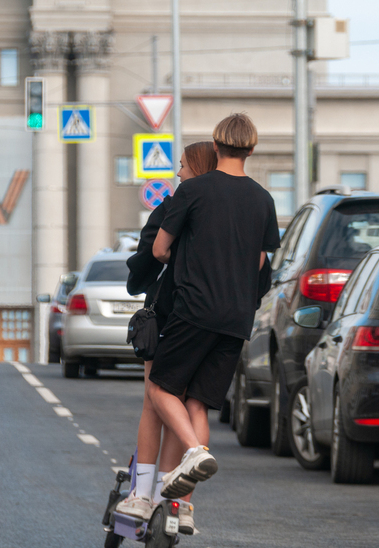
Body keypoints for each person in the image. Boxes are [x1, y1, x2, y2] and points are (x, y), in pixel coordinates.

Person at [146, 114, 279, 507]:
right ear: (251, 150)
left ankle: (195, 450)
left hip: (194, 309)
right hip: (238, 316)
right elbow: (258, 263)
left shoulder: (194, 191)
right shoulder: (263, 199)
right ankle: (182, 505)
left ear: (215, 145)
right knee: (198, 402)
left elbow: (159, 250)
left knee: (160, 387)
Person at [116, 141, 217, 532]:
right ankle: (171, 499)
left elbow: (147, 254)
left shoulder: (177, 205)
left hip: (169, 314)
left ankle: (141, 495)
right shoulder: (222, 212)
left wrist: (138, 281)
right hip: (212, 318)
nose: (177, 172)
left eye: (182, 165)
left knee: (154, 400)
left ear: (196, 166)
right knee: (191, 404)